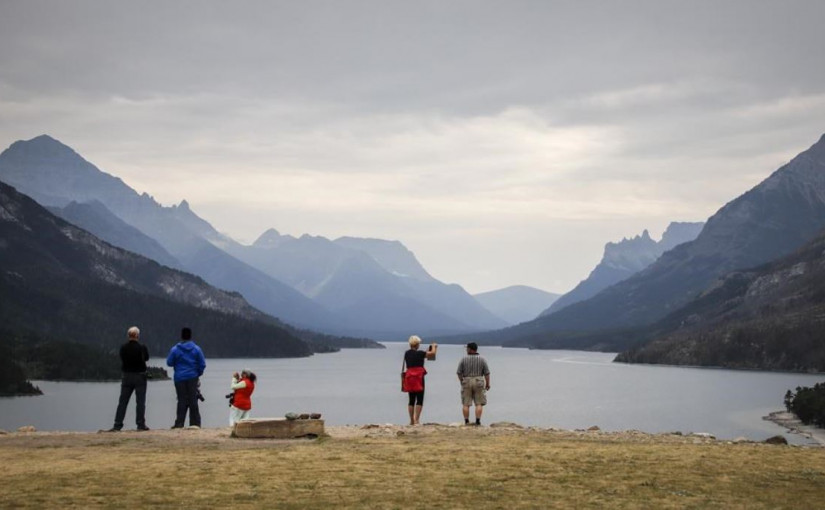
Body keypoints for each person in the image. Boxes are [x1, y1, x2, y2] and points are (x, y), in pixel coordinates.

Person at [108, 326, 150, 431]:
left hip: (126, 376)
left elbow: (122, 357)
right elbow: (147, 358)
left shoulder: (123, 347)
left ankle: (117, 424)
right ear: (137, 335)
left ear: (128, 335)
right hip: (140, 376)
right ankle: (140, 424)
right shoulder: (142, 347)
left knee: (123, 401)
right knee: (140, 402)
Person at [166, 327, 206, 429]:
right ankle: (195, 423)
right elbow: (202, 364)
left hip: (179, 378)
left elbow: (169, 362)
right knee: (193, 400)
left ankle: (179, 423)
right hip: (192, 377)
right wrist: (198, 373)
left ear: (181, 336)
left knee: (181, 400)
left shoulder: (175, 349)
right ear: (190, 336)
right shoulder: (197, 349)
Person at [402, 335, 437, 426]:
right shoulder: (420, 353)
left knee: (411, 399)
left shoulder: (407, 353)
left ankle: (411, 420)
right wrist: (434, 346)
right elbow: (432, 353)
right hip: (419, 377)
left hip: (409, 377)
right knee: (420, 399)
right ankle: (417, 419)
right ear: (417, 344)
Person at [456, 342, 490, 426]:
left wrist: (461, 381)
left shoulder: (463, 359)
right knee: (479, 403)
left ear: (470, 349)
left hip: (466, 380)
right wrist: (487, 384)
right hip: (479, 380)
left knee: (466, 403)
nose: (466, 350)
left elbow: (459, 372)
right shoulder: (482, 359)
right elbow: (487, 373)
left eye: (467, 348)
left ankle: (466, 421)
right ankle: (478, 421)